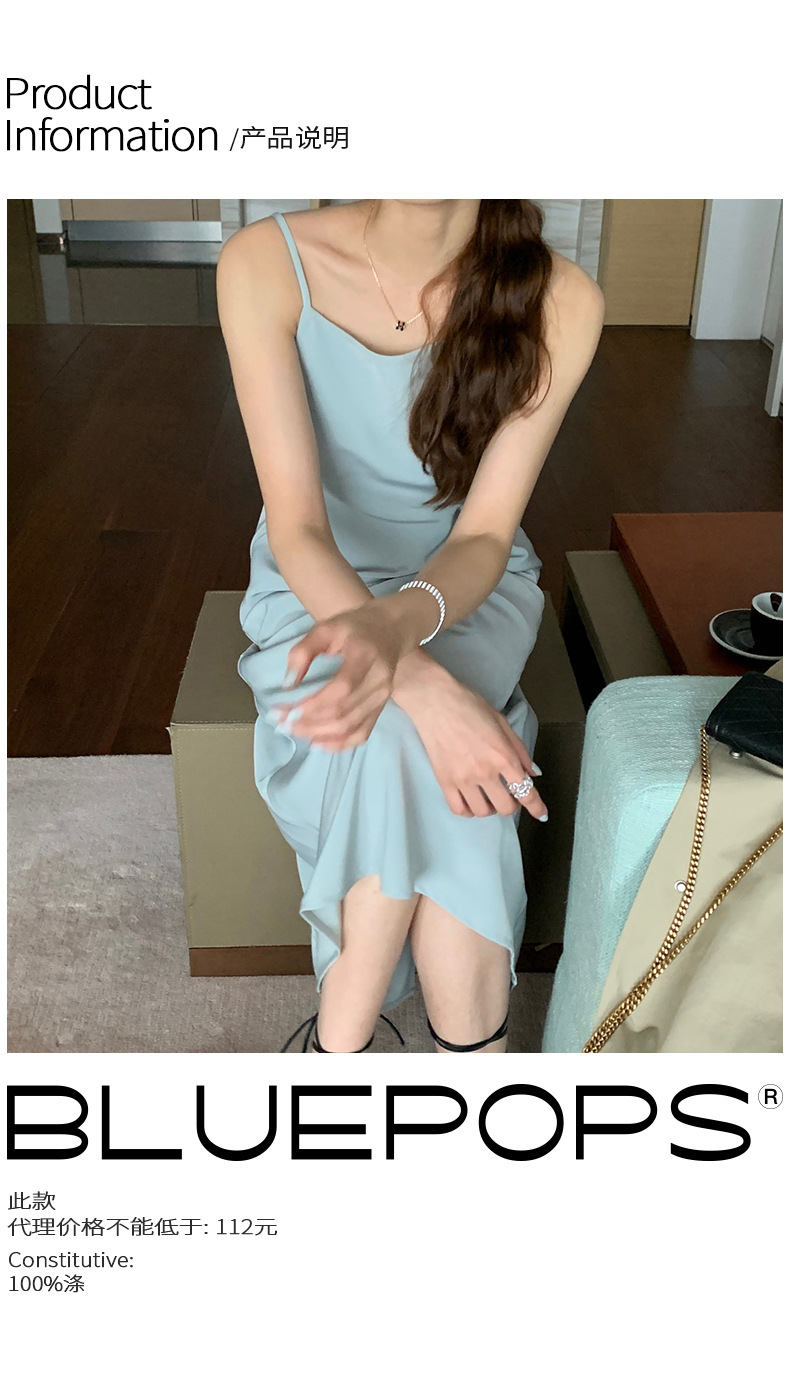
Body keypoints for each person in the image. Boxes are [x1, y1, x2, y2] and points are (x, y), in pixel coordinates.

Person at [216, 199, 604, 1053]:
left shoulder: (563, 299)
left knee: (405, 744)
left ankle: (336, 1048)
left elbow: (485, 536)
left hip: (465, 589)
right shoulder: (264, 262)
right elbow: (299, 528)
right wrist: (423, 685)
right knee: (422, 745)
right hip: (316, 587)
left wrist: (405, 633)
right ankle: (474, 1067)